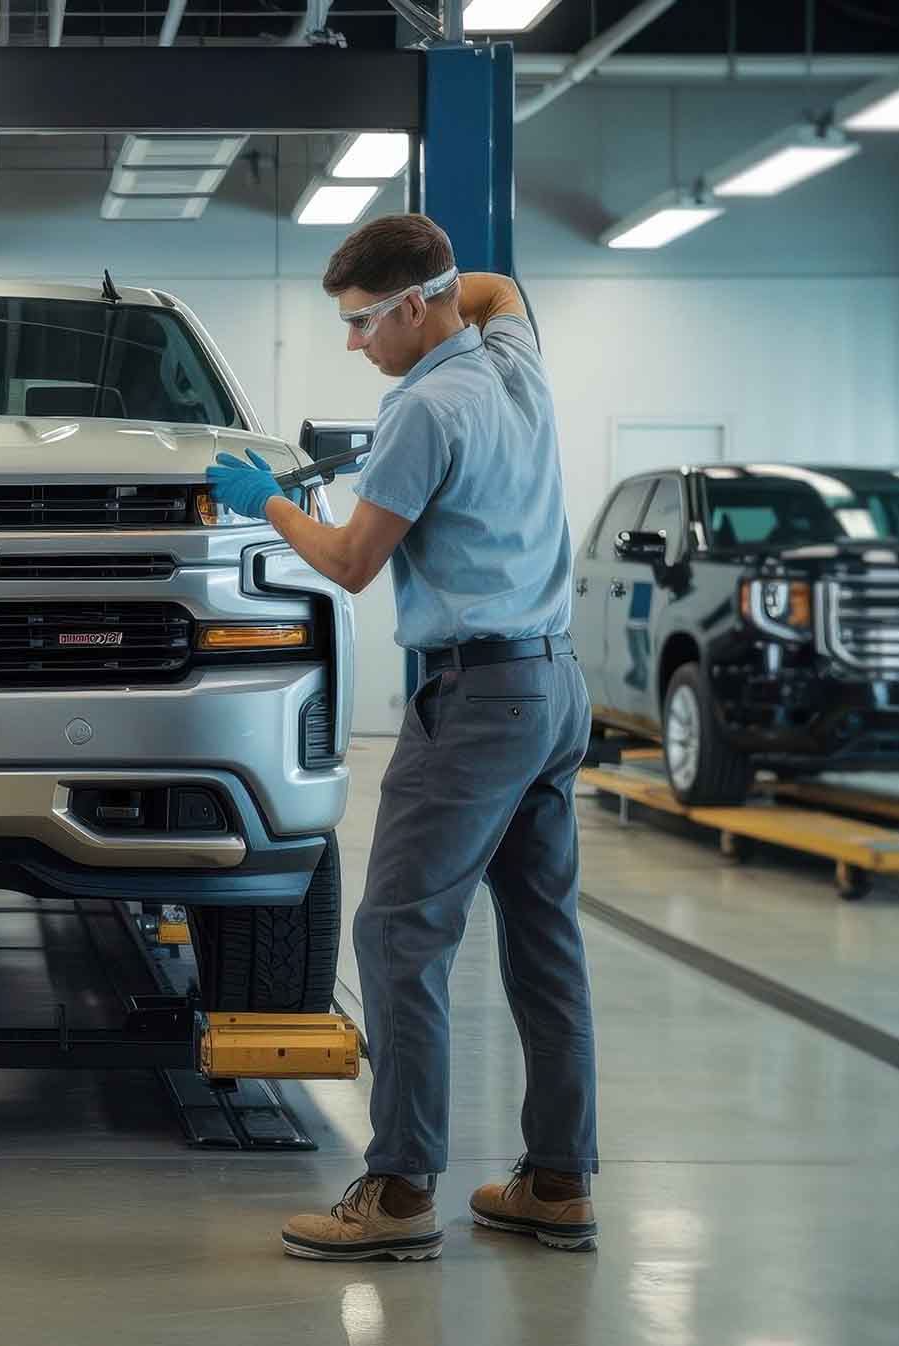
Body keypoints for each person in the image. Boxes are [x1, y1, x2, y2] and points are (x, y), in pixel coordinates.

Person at [204, 213, 599, 1261]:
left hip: (476, 705)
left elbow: (349, 561)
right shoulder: (516, 361)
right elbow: (500, 284)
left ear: (417, 304)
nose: (354, 343)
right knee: (545, 941)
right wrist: (438, 286)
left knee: (396, 934)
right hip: (555, 685)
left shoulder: (426, 406)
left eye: (365, 320)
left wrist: (267, 505)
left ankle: (398, 1189)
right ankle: (558, 1180)